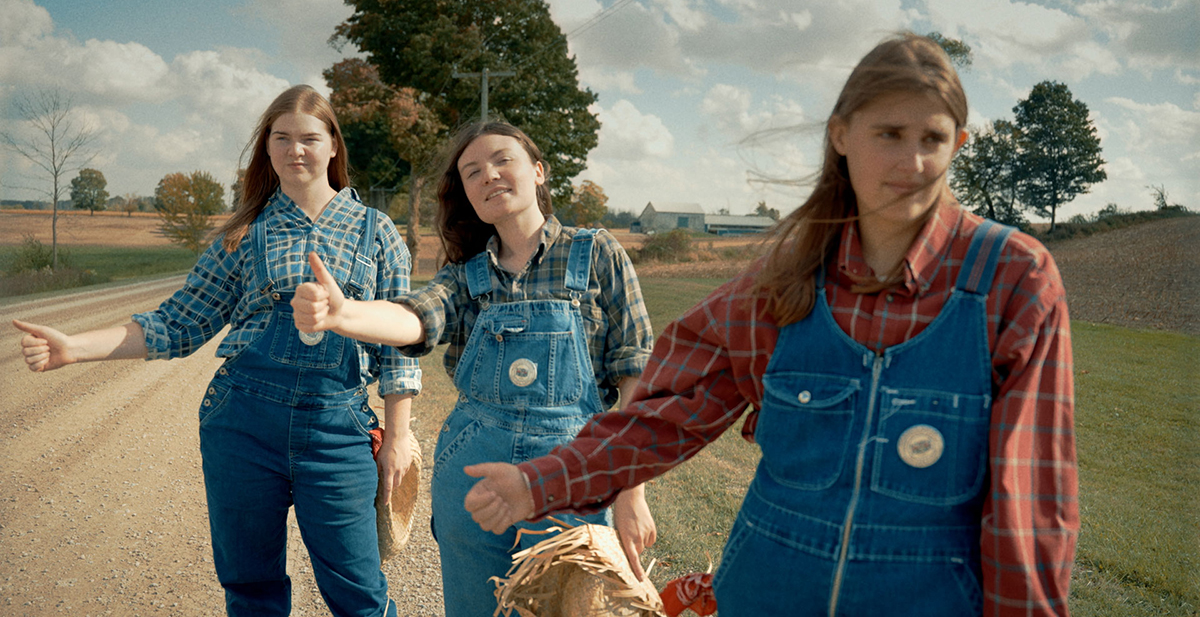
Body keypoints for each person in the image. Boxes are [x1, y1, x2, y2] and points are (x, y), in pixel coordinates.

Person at [461, 34, 1079, 616]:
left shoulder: (1012, 281)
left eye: (933, 138)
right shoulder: (782, 284)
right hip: (767, 588)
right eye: (889, 133)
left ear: (959, 144)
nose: (912, 160)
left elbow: (1031, 503)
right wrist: (539, 482)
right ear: (841, 135)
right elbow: (666, 414)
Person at [13, 85, 418, 617]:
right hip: (243, 427)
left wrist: (400, 437)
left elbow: (403, 345)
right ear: (267, 149)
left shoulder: (378, 232)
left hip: (337, 432)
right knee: (251, 588)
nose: (296, 150)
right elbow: (177, 323)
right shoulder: (244, 234)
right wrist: (75, 348)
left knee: (359, 592)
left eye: (309, 138)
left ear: (334, 146)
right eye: (281, 138)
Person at [289, 121, 658, 617]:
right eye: (472, 171)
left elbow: (638, 376)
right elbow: (416, 316)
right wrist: (344, 315)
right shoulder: (467, 275)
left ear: (538, 171)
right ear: (465, 192)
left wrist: (632, 494)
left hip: (574, 474)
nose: (489, 175)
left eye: (503, 160)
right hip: (472, 474)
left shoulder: (596, 253)